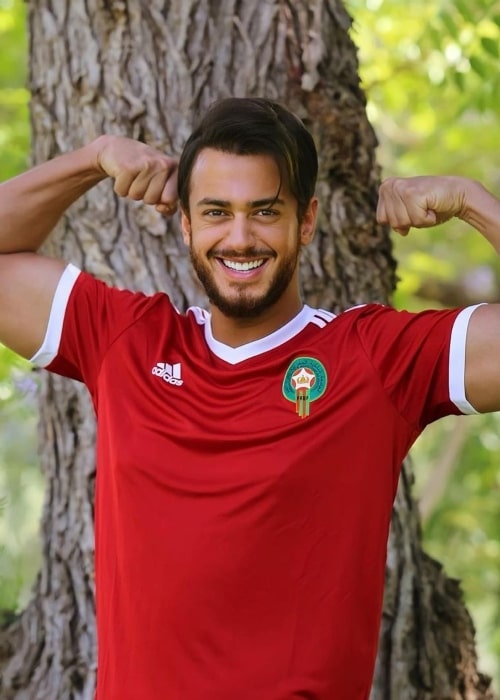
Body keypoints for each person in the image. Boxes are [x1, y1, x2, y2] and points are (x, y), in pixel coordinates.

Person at [0, 97, 499, 700]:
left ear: (305, 222)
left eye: (265, 211)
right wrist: (91, 159)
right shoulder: (126, 343)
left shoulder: (375, 361)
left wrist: (472, 201)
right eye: (216, 212)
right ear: (186, 224)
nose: (240, 238)